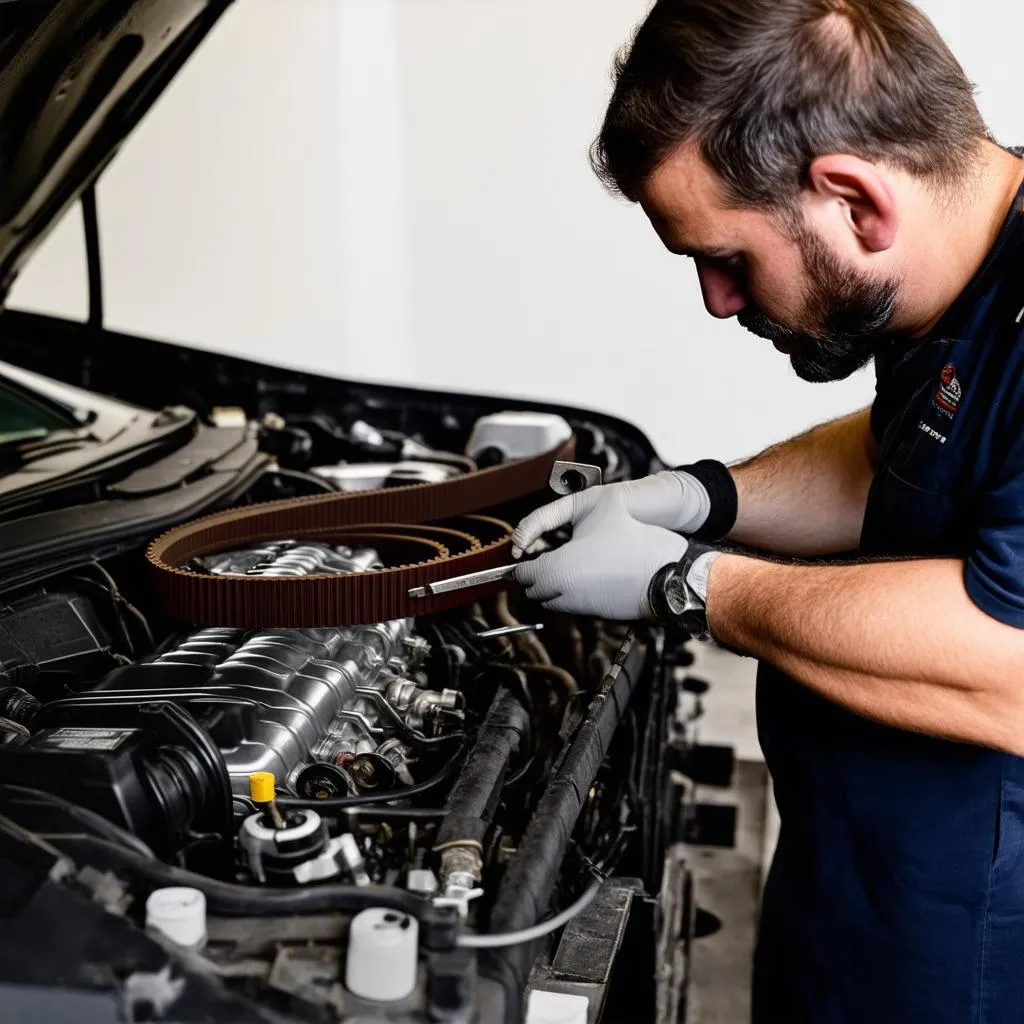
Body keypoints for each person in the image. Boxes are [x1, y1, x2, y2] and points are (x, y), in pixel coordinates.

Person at [510, 1, 1024, 1021]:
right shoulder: (962, 271)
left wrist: (686, 583)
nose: (715, 299)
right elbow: (901, 453)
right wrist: (703, 495)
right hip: (854, 891)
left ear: (851, 201)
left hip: (967, 957)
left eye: (728, 258)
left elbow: (1011, 667)